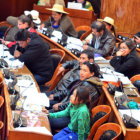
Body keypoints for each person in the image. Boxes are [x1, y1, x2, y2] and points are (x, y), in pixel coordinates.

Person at [47, 61, 103, 131]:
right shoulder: (83, 80)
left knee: (47, 120)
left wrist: (60, 106)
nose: (81, 72)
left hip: (73, 116)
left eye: (85, 71)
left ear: (92, 74)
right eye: (81, 69)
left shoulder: (88, 86)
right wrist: (56, 97)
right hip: (66, 108)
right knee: (44, 111)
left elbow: (76, 104)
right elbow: (68, 91)